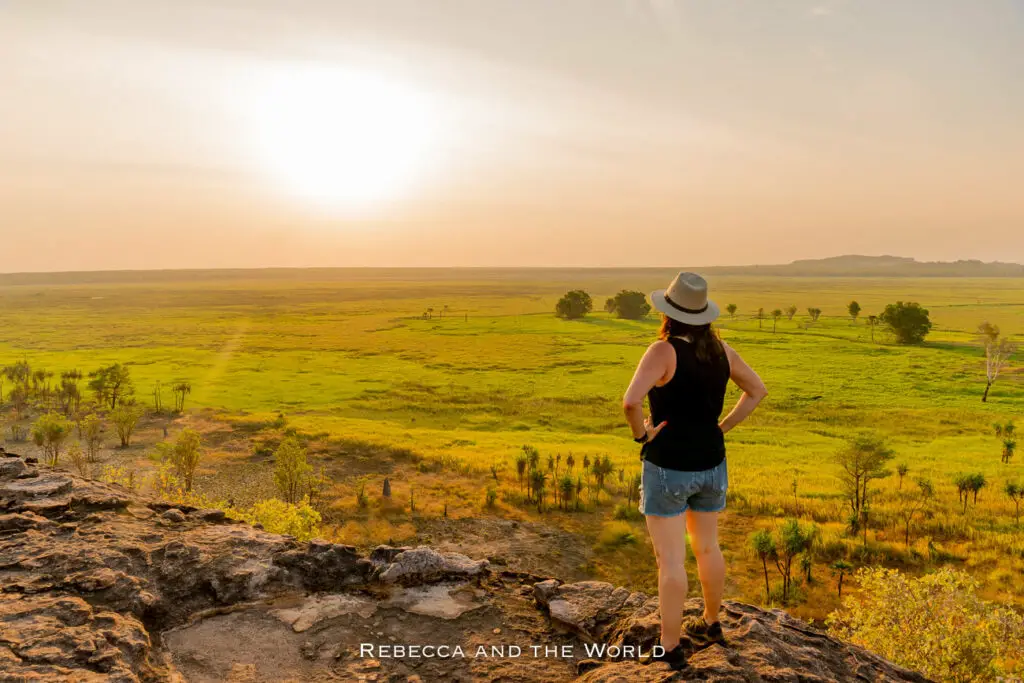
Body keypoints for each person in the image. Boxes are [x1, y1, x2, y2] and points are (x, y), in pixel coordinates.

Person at [623, 272, 767, 670]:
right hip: (712, 461)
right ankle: (711, 622)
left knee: (669, 560)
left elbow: (631, 403)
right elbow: (757, 390)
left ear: (668, 312)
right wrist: (722, 427)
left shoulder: (662, 351)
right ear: (703, 315)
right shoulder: (722, 350)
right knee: (707, 547)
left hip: (668, 465)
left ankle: (670, 647)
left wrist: (643, 436)